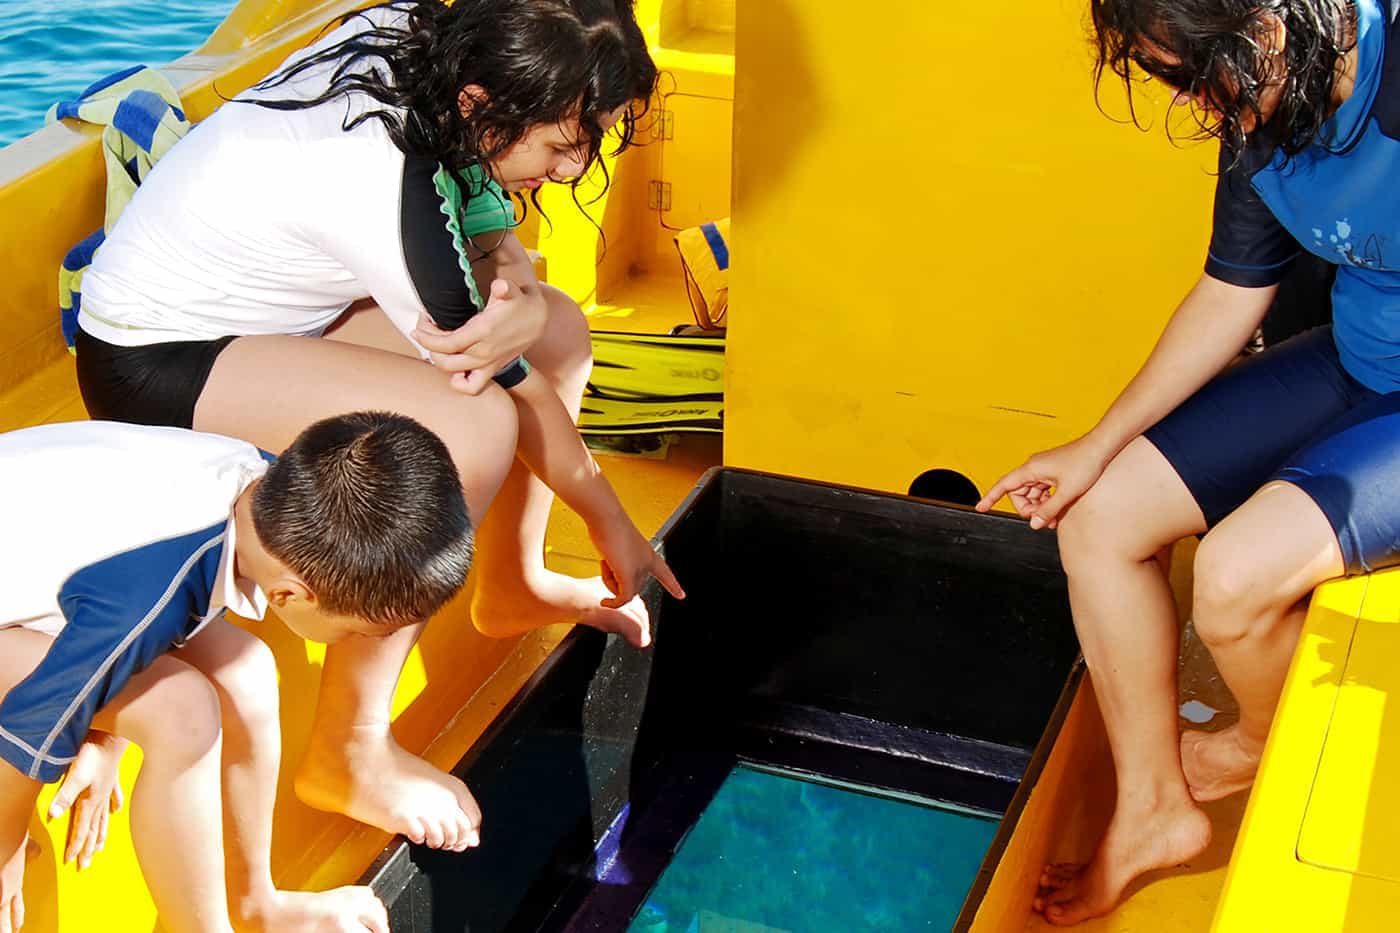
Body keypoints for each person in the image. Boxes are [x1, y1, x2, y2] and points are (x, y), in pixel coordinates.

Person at [71, 0, 683, 850]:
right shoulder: (381, 184)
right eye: (559, 144)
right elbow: (499, 371)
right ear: (484, 102)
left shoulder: (435, 35)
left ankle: (511, 581)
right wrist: (610, 517)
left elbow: (506, 274)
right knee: (472, 430)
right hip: (161, 358)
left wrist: (526, 293)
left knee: (561, 331)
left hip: (273, 306)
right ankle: (349, 750)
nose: (573, 165)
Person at [976, 0, 1400, 923]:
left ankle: (1254, 742)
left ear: (1275, 29)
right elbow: (1230, 292)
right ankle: (1154, 810)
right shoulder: (1258, 106)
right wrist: (1095, 446)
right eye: (1180, 80)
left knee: (1236, 577)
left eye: (1206, 74)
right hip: (1357, 357)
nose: (1208, 109)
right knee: (1097, 519)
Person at [0, 412, 474, 932]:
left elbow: (111, 595)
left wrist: (103, 738)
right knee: (181, 712)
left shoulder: (263, 491)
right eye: (361, 632)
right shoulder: (147, 591)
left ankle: (255, 906)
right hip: (48, 609)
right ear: (290, 595)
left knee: (246, 671)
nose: (363, 643)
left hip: (53, 578)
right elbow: (33, 718)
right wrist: (6, 850)